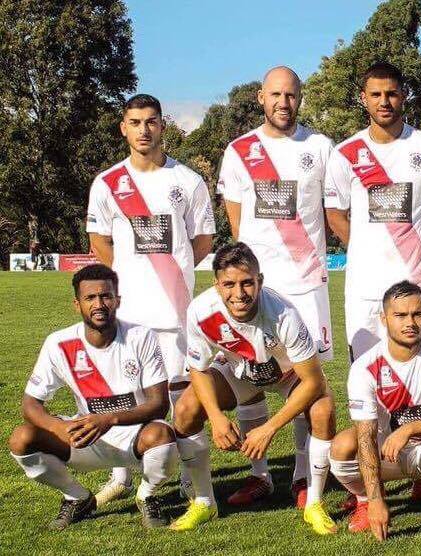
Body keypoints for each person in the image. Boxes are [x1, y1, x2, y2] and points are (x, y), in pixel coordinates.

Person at [86, 93, 215, 504]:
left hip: (174, 313)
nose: (144, 130)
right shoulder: (107, 183)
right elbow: (99, 240)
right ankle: (120, 476)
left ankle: (185, 476)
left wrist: (173, 272)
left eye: (151, 121)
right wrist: (126, 277)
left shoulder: (188, 181)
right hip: (128, 314)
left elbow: (203, 240)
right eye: (135, 122)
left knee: (180, 398)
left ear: (163, 125)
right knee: (124, 395)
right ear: (123, 128)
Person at [216, 66, 334, 508]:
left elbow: (333, 209)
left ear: (300, 98)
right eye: (276, 95)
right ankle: (259, 475)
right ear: (261, 98)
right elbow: (235, 219)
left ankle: (302, 476)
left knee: (306, 380)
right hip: (255, 289)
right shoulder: (239, 150)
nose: (284, 103)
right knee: (249, 373)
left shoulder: (320, 147)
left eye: (291, 95)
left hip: (306, 283)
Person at [169, 243, 337, 534]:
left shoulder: (283, 313)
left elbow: (314, 382)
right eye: (229, 284)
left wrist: (269, 428)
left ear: (260, 280)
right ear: (217, 285)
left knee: (323, 409)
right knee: (185, 409)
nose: (239, 293)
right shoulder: (201, 310)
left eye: (247, 282)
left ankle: (314, 503)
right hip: (241, 372)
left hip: (287, 374)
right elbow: (198, 368)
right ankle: (204, 501)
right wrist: (217, 418)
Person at [9, 264, 178, 530]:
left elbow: (159, 404)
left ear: (117, 300)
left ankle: (147, 495)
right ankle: (77, 497)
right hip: (86, 437)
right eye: (90, 298)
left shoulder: (141, 336)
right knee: (21, 439)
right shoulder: (59, 343)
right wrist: (58, 427)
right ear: (77, 304)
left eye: (105, 296)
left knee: (163, 436)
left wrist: (109, 419)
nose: (98, 304)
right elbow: (30, 404)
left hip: (136, 436)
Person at [324, 61, 421, 362]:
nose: (384, 102)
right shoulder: (344, 153)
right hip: (365, 285)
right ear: (363, 98)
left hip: (418, 280)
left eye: (391, 94)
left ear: (403, 95)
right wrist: (365, 248)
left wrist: (418, 245)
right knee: (366, 370)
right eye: (376, 94)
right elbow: (335, 216)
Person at [329, 281, 421, 540]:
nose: (410, 322)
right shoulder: (365, 367)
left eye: (417, 314)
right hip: (385, 456)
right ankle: (363, 501)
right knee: (343, 445)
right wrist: (375, 500)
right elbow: (366, 436)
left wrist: (409, 429)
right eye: (400, 315)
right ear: (384, 319)